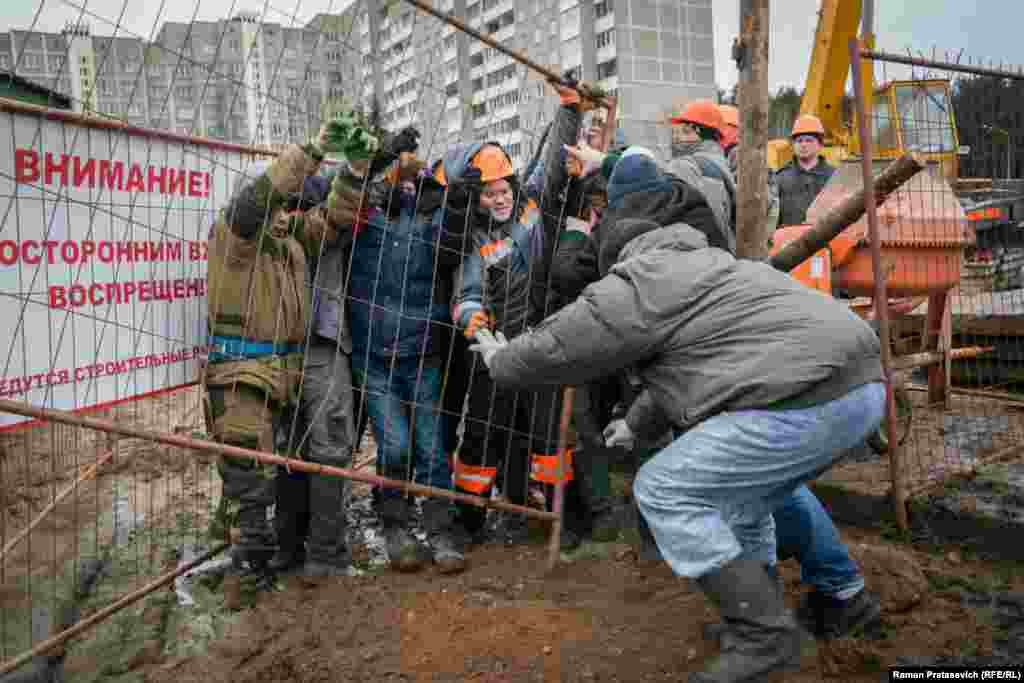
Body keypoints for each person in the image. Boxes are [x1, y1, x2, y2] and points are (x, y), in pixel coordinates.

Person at [469, 209, 885, 680]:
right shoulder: (710, 265)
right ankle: (763, 615)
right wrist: (636, 426)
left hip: (802, 398)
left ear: (615, 258)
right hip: (863, 387)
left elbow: (560, 344)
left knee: (663, 488)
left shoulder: (640, 281)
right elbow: (695, 365)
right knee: (743, 501)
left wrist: (502, 360)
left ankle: (764, 633)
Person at [204, 119, 370, 595]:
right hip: (240, 374)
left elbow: (334, 218)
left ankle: (262, 564)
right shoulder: (234, 235)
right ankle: (245, 576)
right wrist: (314, 149)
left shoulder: (287, 239)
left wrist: (356, 169)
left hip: (280, 370)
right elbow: (259, 199)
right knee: (248, 482)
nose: (283, 212)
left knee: (266, 476)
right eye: (276, 204)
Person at [437, 78, 583, 546]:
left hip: (539, 341)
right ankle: (471, 520)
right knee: (481, 437)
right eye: (488, 195)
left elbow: (554, 158)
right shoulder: (474, 241)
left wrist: (570, 109)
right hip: (494, 355)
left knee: (548, 435)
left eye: (503, 190)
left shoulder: (534, 205)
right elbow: (466, 294)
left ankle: (562, 518)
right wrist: (475, 324)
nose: (498, 199)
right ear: (473, 198)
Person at [345, 126, 469, 574]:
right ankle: (395, 525)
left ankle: (439, 529)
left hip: (422, 354)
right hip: (374, 357)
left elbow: (453, 239)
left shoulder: (429, 223)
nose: (406, 187)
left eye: (412, 182)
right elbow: (349, 195)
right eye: (400, 179)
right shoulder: (363, 222)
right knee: (394, 447)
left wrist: (451, 199)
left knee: (433, 449)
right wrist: (384, 158)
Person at [775, 113, 836, 227]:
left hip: (826, 241)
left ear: (820, 144)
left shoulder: (834, 177)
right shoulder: (780, 178)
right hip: (789, 242)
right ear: (793, 145)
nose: (803, 145)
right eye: (799, 141)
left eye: (809, 140)